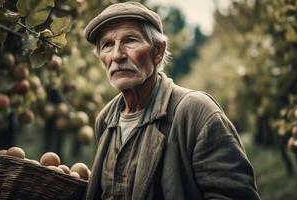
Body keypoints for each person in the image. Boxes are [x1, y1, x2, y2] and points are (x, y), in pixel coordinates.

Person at [83, 1, 260, 200]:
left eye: (130, 40)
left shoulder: (197, 112)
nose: (117, 55)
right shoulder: (106, 120)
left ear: (157, 51)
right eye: (107, 45)